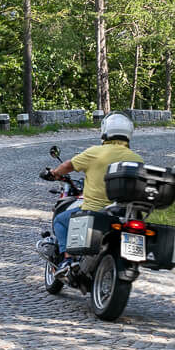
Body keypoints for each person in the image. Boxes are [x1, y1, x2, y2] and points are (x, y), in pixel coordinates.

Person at [46, 113, 143, 270]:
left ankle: (67, 260)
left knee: (60, 221)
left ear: (105, 131)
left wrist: (55, 173)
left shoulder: (95, 152)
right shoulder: (137, 159)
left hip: (94, 210)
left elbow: (68, 165)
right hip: (124, 213)